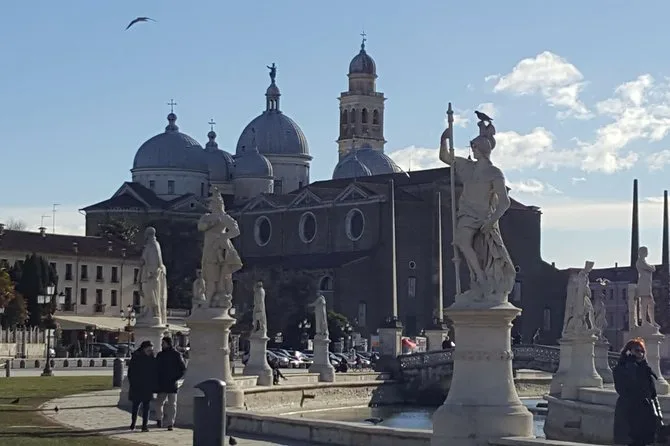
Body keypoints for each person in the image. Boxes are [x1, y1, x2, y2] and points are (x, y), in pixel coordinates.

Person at [613, 338, 662, 446]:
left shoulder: (646, 369)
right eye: (637, 350)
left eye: (642, 351)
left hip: (646, 412)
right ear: (628, 351)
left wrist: (658, 415)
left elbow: (653, 394)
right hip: (629, 412)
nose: (640, 354)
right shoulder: (621, 368)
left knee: (644, 442)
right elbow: (622, 389)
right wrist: (631, 366)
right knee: (631, 442)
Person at [154, 336, 187, 430]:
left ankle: (169, 423)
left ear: (168, 344)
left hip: (170, 382)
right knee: (161, 403)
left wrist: (176, 378)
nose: (162, 345)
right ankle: (161, 420)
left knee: (171, 404)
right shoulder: (161, 355)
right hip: (165, 382)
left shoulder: (176, 354)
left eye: (163, 343)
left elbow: (183, 368)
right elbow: (156, 368)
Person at [127, 340, 157, 432]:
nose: (150, 352)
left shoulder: (152, 358)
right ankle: (133, 423)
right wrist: (133, 383)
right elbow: (130, 372)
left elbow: (155, 371)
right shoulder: (136, 357)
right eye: (148, 350)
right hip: (137, 385)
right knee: (135, 406)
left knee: (146, 407)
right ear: (143, 349)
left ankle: (144, 426)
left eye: (151, 350)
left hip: (147, 385)